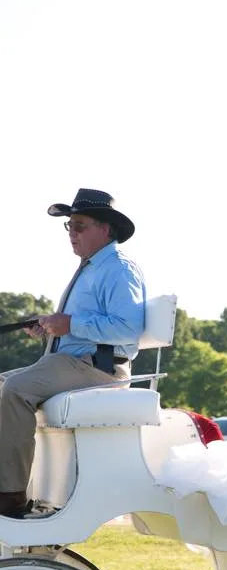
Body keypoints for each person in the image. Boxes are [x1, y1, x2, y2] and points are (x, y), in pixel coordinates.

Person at [0, 188, 145, 517]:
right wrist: (51, 329)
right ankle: (10, 484)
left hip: (100, 368)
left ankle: (10, 498)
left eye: (80, 226)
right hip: (73, 362)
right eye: (70, 226)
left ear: (105, 229)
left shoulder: (118, 269)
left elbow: (127, 329)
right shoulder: (91, 268)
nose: (72, 234)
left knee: (16, 389)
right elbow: (78, 327)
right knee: (1, 387)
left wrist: (71, 324)